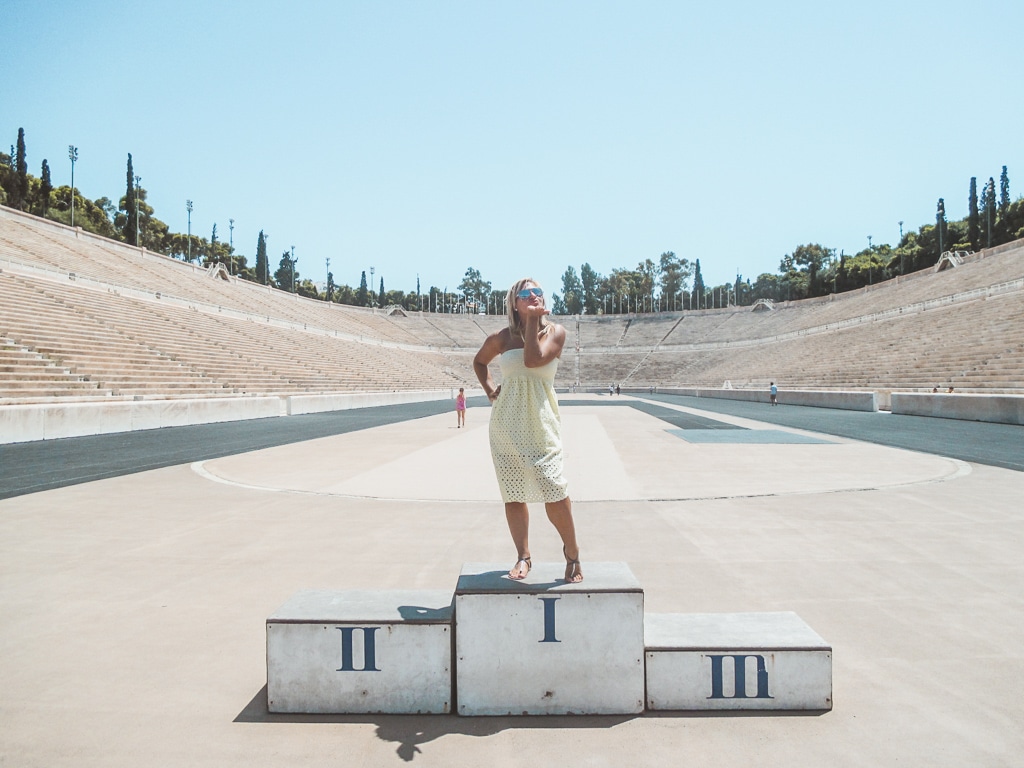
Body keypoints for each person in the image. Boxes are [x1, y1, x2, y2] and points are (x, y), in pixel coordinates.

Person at [473, 278, 583, 583]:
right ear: (514, 303)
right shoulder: (501, 337)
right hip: (506, 425)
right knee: (513, 493)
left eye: (538, 292)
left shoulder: (556, 333)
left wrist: (534, 320)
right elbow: (479, 362)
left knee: (554, 489)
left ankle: (572, 553)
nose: (533, 296)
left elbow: (533, 359)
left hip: (541, 423)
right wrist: (490, 389)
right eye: (526, 294)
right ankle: (523, 556)